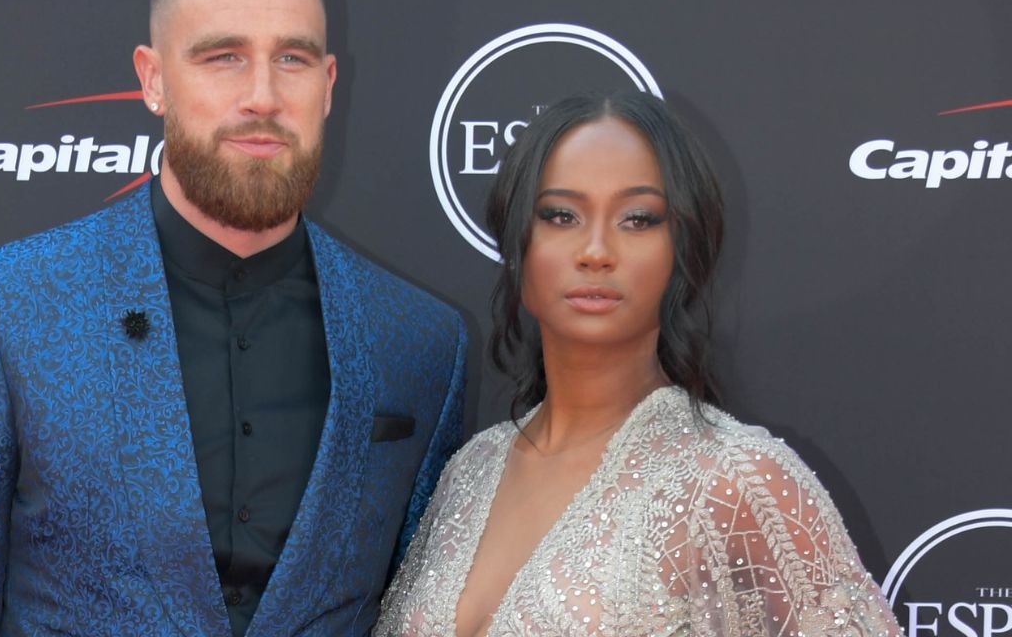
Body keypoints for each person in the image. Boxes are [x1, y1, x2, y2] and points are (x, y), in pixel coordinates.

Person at [0, 0, 466, 636]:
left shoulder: (420, 341)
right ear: (152, 79)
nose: (263, 96)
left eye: (293, 59)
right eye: (224, 58)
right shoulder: (7, 308)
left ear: (329, 83)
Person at [375, 91, 902, 636]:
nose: (596, 250)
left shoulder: (738, 480)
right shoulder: (469, 471)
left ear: (683, 250)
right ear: (517, 245)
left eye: (638, 219)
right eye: (561, 215)